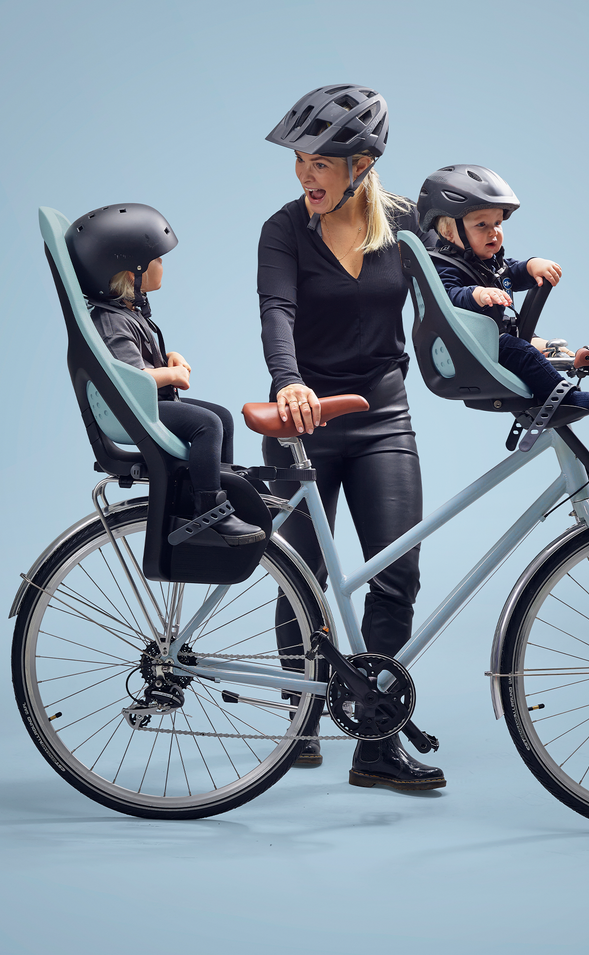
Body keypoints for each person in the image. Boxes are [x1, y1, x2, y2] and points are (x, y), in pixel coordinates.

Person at [258, 84, 445, 789]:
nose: (306, 174)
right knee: (300, 578)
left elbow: (450, 295)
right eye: (300, 161)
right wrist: (288, 380)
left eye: (321, 163)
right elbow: (276, 310)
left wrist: (518, 337)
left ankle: (375, 742)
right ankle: (301, 717)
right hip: (305, 420)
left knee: (397, 574)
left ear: (361, 163)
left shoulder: (405, 223)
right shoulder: (282, 230)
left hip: (382, 417)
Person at [66, 203, 264, 546]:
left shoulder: (127, 312)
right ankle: (210, 509)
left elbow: (140, 360)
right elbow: (132, 375)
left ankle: (223, 488)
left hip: (143, 405)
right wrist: (171, 375)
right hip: (133, 410)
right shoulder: (112, 320)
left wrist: (169, 359)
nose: (162, 265)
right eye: (156, 260)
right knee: (207, 425)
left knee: (221, 417)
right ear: (132, 273)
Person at [417, 165, 589, 413]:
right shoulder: (443, 265)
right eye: (481, 225)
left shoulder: (488, 262)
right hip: (468, 346)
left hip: (497, 336)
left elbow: (511, 272)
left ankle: (571, 359)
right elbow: (445, 296)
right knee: (521, 351)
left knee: (539, 345)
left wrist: (531, 266)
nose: (493, 231)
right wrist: (477, 295)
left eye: (497, 222)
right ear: (449, 232)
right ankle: (562, 396)